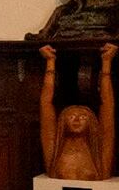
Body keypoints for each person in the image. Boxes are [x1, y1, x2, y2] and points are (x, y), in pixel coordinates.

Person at [39, 43, 117, 180]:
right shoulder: (54, 151)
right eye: (71, 116)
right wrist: (50, 62)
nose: (76, 120)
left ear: (91, 123)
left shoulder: (99, 156)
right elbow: (45, 105)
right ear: (63, 122)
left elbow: (108, 106)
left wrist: (106, 62)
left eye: (82, 117)